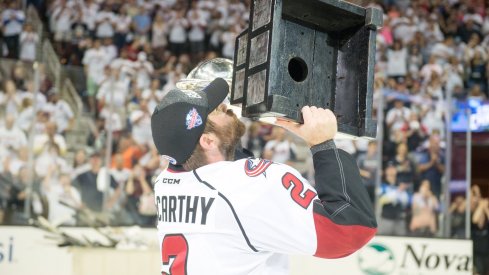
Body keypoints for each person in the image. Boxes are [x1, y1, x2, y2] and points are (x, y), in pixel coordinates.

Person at [151, 78, 376, 274]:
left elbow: (218, 168)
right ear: (208, 141)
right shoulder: (252, 186)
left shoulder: (166, 181)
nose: (225, 105)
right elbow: (350, 230)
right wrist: (323, 143)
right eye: (217, 110)